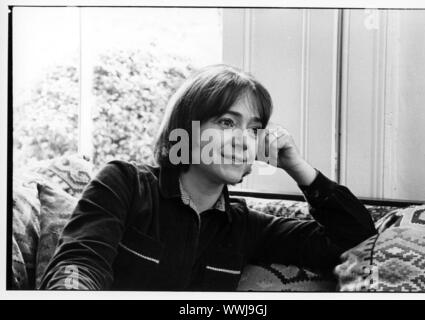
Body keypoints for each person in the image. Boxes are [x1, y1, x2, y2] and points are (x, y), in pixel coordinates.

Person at [40, 64, 377, 290]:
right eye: (226, 123)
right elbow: (79, 263)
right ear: (185, 129)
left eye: (254, 129)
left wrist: (297, 166)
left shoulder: (244, 226)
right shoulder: (124, 183)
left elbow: (355, 234)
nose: (242, 139)